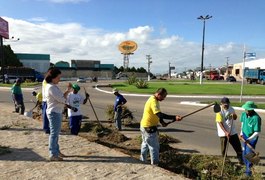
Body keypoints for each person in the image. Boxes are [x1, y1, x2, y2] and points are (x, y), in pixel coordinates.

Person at [140, 88, 182, 165]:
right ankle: (155, 165)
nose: (164, 98)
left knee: (145, 144)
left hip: (144, 126)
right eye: (163, 96)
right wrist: (174, 117)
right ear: (158, 94)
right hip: (149, 128)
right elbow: (159, 114)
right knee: (154, 147)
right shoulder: (153, 101)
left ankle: (142, 161)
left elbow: (156, 114)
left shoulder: (153, 99)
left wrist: (162, 122)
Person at [44, 68, 71, 161]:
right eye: (58, 77)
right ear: (53, 77)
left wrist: (67, 91)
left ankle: (56, 151)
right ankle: (53, 154)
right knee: (54, 134)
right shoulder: (51, 87)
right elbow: (61, 99)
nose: (60, 79)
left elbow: (61, 98)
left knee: (56, 133)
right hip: (54, 112)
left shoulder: (53, 86)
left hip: (57, 111)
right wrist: (66, 101)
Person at [215, 97, 243, 164]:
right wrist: (225, 132)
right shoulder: (219, 111)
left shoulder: (231, 109)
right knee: (224, 148)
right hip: (223, 133)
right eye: (225, 105)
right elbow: (219, 122)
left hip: (232, 131)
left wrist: (234, 115)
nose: (226, 106)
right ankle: (225, 161)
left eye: (227, 104)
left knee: (238, 146)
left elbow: (235, 118)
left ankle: (240, 158)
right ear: (221, 104)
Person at [240, 101, 261, 177]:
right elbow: (242, 124)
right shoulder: (243, 114)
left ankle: (248, 172)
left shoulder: (256, 118)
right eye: (246, 109)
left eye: (248, 110)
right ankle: (247, 167)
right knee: (243, 154)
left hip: (252, 137)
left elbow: (257, 132)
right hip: (244, 136)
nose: (247, 111)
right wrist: (241, 133)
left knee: (249, 154)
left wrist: (249, 139)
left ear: (252, 109)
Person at [42, 67, 54, 134]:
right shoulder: (46, 81)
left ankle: (47, 128)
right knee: (46, 116)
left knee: (46, 115)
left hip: (46, 100)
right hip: (46, 100)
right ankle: (47, 129)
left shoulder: (46, 80)